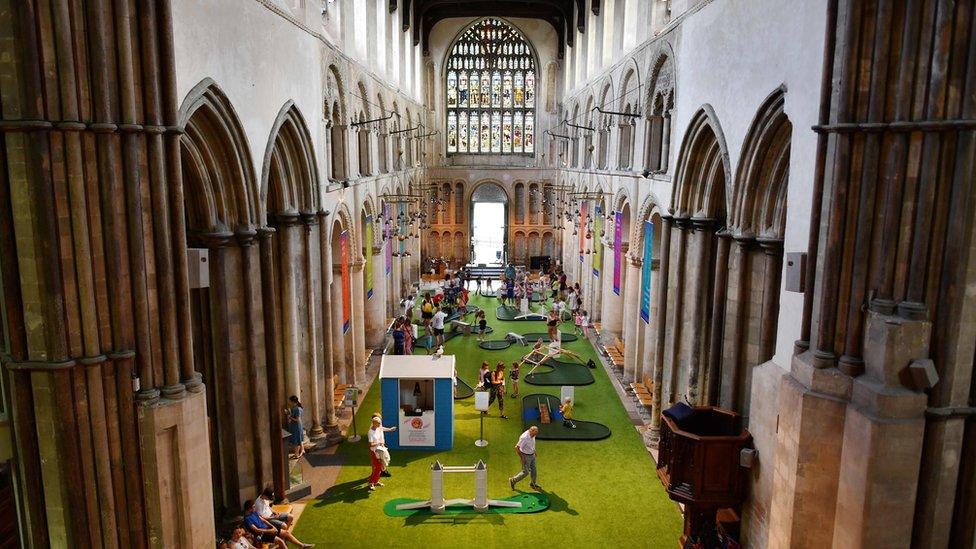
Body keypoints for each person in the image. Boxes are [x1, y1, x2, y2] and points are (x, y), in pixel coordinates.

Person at [243, 499, 313, 548]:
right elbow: (257, 530)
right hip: (262, 534)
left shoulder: (254, 513)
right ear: (249, 509)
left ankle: (302, 546)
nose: (255, 508)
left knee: (286, 533)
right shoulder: (247, 519)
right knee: (280, 541)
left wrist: (272, 527)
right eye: (253, 507)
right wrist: (271, 530)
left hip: (268, 529)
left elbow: (263, 520)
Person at [367, 416, 396, 491]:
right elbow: (370, 444)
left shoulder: (378, 427)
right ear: (374, 423)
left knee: (381, 467)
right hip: (374, 452)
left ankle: (376, 481)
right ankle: (371, 483)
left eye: (380, 423)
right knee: (378, 467)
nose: (380, 424)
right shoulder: (370, 432)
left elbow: (383, 428)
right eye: (378, 423)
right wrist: (379, 442)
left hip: (380, 450)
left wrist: (390, 429)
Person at [509, 426, 541, 491]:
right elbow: (517, 447)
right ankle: (513, 480)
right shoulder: (524, 437)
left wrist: (534, 451)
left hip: (532, 455)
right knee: (525, 472)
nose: (535, 435)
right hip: (526, 456)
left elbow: (532, 443)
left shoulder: (533, 435)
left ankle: (533, 483)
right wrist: (522, 458)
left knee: (534, 470)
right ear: (530, 431)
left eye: (536, 434)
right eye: (534, 434)